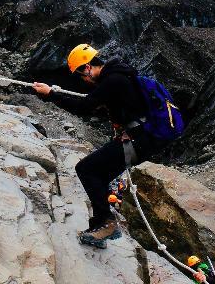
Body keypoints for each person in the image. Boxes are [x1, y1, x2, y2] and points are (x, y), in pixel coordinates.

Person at [32, 43, 170, 247]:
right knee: (100, 175)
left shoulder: (112, 80)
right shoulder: (119, 75)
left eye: (82, 75)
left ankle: (106, 224)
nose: (84, 80)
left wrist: (51, 94)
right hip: (143, 139)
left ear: (87, 67)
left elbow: (83, 107)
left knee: (86, 169)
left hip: (139, 140)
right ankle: (99, 227)